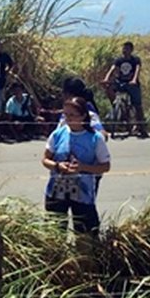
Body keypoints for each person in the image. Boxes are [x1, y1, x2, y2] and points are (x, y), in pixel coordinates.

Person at [42, 96, 111, 236]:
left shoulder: (95, 138)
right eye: (66, 114)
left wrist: (83, 167)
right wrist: (57, 166)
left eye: (72, 115)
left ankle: (84, 256)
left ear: (83, 116)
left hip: (83, 194)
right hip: (57, 190)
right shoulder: (57, 134)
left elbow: (105, 166)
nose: (68, 118)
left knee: (85, 234)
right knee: (54, 231)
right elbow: (45, 159)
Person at [104, 41, 148, 137]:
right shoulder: (119, 60)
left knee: (137, 105)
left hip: (131, 83)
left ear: (131, 50)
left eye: (127, 49)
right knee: (109, 88)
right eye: (123, 48)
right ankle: (116, 106)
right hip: (120, 83)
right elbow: (112, 69)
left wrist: (134, 80)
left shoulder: (135, 60)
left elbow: (137, 69)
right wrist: (106, 78)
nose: (124, 51)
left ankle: (142, 128)